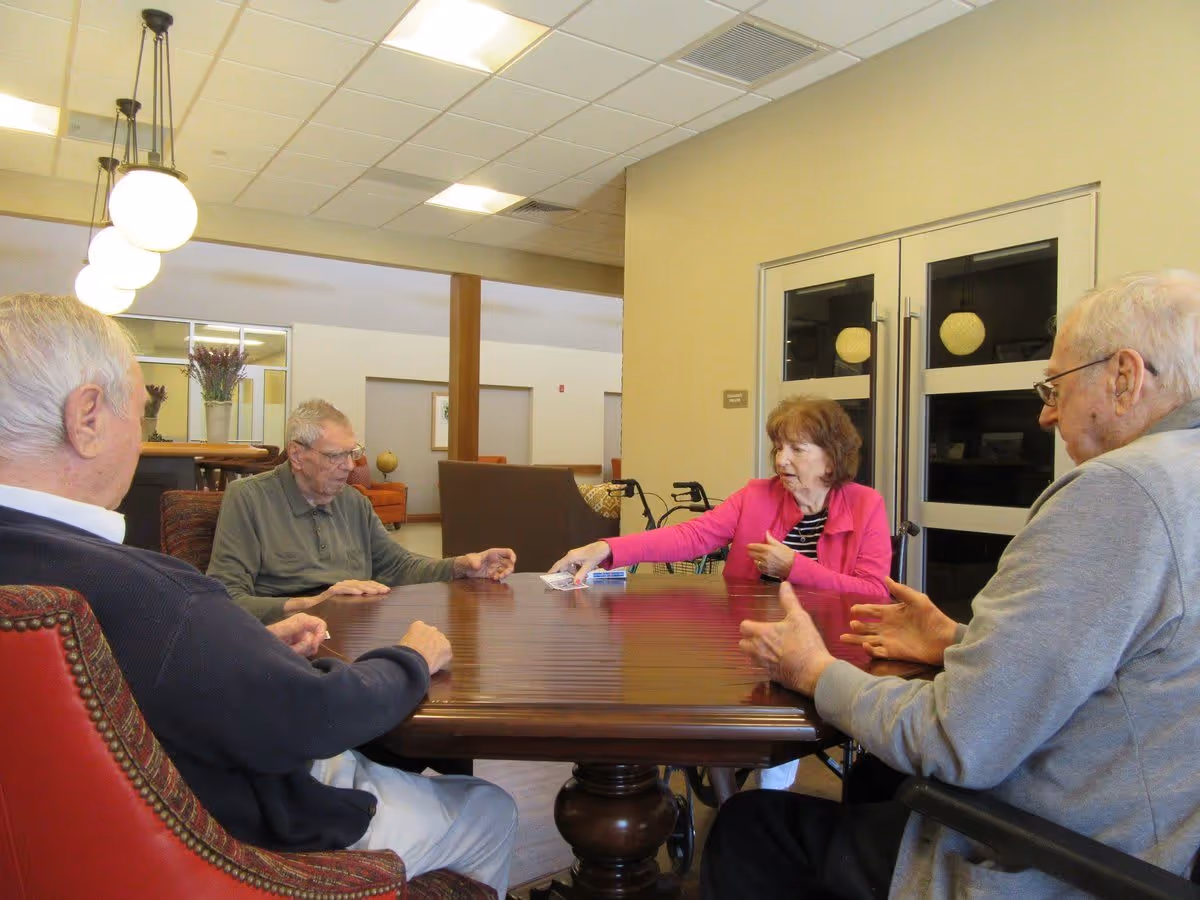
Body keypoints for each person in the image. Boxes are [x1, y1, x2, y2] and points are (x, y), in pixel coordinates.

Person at [0, 294, 517, 898]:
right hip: (251, 825)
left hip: (98, 839)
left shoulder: (63, 579)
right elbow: (311, 719)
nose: (140, 439)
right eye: (138, 415)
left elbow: (165, 672)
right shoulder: (154, 593)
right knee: (491, 810)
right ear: (86, 418)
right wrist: (412, 658)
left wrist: (249, 647)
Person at [705, 270, 1200, 899]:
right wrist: (956, 641)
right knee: (879, 776)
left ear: (1124, 376)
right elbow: (1134, 656)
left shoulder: (1120, 490)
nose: (1046, 414)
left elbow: (959, 738)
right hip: (1149, 825)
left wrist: (814, 672)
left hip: (1061, 858)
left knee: (750, 826)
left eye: (1054, 386)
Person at [551, 394, 890, 790]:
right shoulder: (757, 496)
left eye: (797, 449)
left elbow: (872, 592)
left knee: (767, 717)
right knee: (692, 688)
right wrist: (610, 548)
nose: (782, 460)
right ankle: (734, 802)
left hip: (826, 648)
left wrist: (794, 567)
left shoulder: (866, 505)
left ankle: (761, 807)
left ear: (831, 458)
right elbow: (692, 535)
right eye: (779, 448)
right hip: (746, 643)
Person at [206, 398, 516, 625]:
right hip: (287, 636)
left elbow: (398, 566)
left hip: (355, 629)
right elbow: (225, 600)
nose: (350, 466)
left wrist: (463, 566)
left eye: (353, 453)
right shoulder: (248, 499)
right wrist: (313, 604)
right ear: (297, 455)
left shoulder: (353, 503)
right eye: (335, 456)